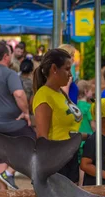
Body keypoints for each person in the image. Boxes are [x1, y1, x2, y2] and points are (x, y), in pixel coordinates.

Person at [0, 41, 32, 190]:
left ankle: (3, 194)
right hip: (12, 123)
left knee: (0, 156)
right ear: (5, 56)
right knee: (32, 143)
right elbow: (18, 94)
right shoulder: (10, 74)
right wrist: (26, 112)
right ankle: (9, 172)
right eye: (10, 54)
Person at [33, 48, 83, 183]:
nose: (70, 74)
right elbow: (42, 137)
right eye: (67, 69)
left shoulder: (60, 93)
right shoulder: (44, 95)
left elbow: (66, 129)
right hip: (56, 161)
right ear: (54, 69)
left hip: (69, 156)